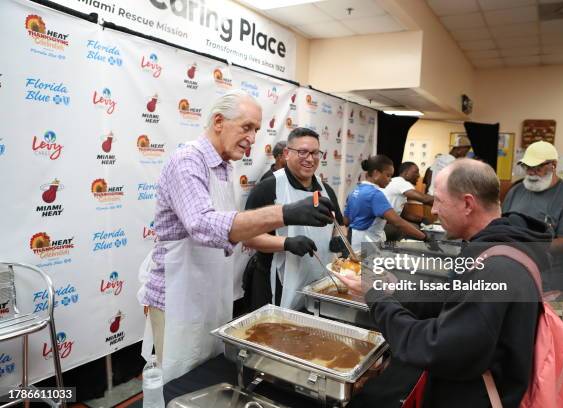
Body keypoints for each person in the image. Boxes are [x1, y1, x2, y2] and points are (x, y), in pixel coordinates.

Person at [138, 91, 335, 382]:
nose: (253, 138)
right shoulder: (187, 161)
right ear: (219, 121)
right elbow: (202, 224)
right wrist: (284, 214)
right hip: (177, 297)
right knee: (177, 382)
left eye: (256, 129)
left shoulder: (224, 166)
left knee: (204, 374)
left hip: (208, 293)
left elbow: (234, 229)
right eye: (247, 127)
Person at [339, 159, 550, 408]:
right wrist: (394, 289)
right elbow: (450, 298)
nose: (434, 210)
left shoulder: (496, 268)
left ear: (468, 203)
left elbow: (436, 347)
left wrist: (376, 297)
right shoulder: (493, 247)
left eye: (438, 200)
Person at [242, 127, 345, 310]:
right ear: (287, 154)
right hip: (275, 282)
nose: (310, 159)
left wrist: (338, 237)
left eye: (315, 153)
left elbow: (339, 224)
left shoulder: (326, 189)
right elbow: (248, 237)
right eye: (303, 152)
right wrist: (286, 243)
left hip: (317, 281)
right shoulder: (269, 188)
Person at [502, 141, 563, 319]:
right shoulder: (516, 191)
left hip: (550, 283)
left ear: (553, 166)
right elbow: (503, 226)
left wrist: (527, 248)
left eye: (537, 167)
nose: (531, 172)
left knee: (547, 336)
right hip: (515, 278)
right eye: (527, 166)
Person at [345, 155, 426, 249]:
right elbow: (398, 222)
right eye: (388, 175)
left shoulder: (356, 190)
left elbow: (346, 220)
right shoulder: (375, 194)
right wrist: (424, 237)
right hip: (368, 244)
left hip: (355, 240)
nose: (390, 179)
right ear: (376, 174)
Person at [383, 161, 434, 240]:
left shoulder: (397, 184)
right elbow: (425, 199)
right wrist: (446, 202)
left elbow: (405, 215)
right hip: (383, 226)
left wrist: (422, 219)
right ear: (406, 172)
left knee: (417, 228)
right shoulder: (401, 182)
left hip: (386, 224)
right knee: (416, 230)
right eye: (416, 172)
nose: (418, 175)